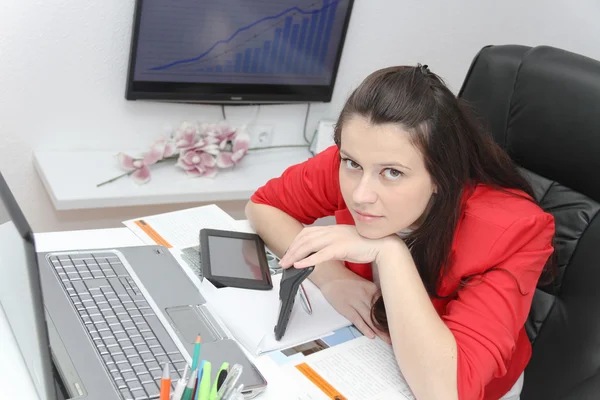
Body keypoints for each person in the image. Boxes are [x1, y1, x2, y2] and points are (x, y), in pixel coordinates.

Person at [245, 65, 555, 400]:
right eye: (351, 163)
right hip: (368, 350)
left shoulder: (514, 231)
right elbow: (263, 207)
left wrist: (390, 252)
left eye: (392, 172)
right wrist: (333, 277)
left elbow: (446, 391)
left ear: (441, 174)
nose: (361, 194)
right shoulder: (360, 162)